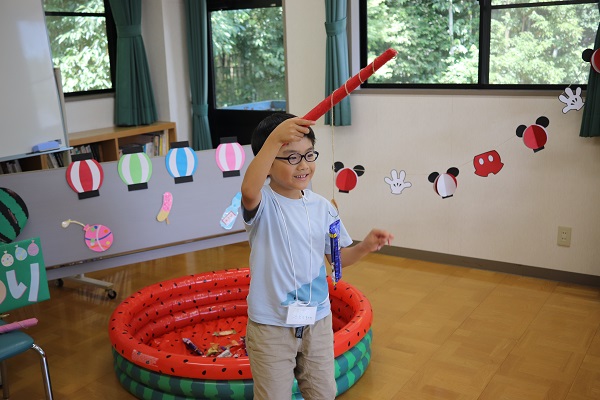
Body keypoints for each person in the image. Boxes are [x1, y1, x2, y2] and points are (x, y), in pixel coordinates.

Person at [240, 112, 394, 400]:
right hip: (271, 326)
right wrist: (275, 139)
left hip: (317, 322)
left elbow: (336, 260)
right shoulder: (263, 203)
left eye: (309, 155)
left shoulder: (324, 207)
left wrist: (364, 247)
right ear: (268, 163)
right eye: (292, 157)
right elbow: (248, 189)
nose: (304, 165)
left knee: (323, 393)